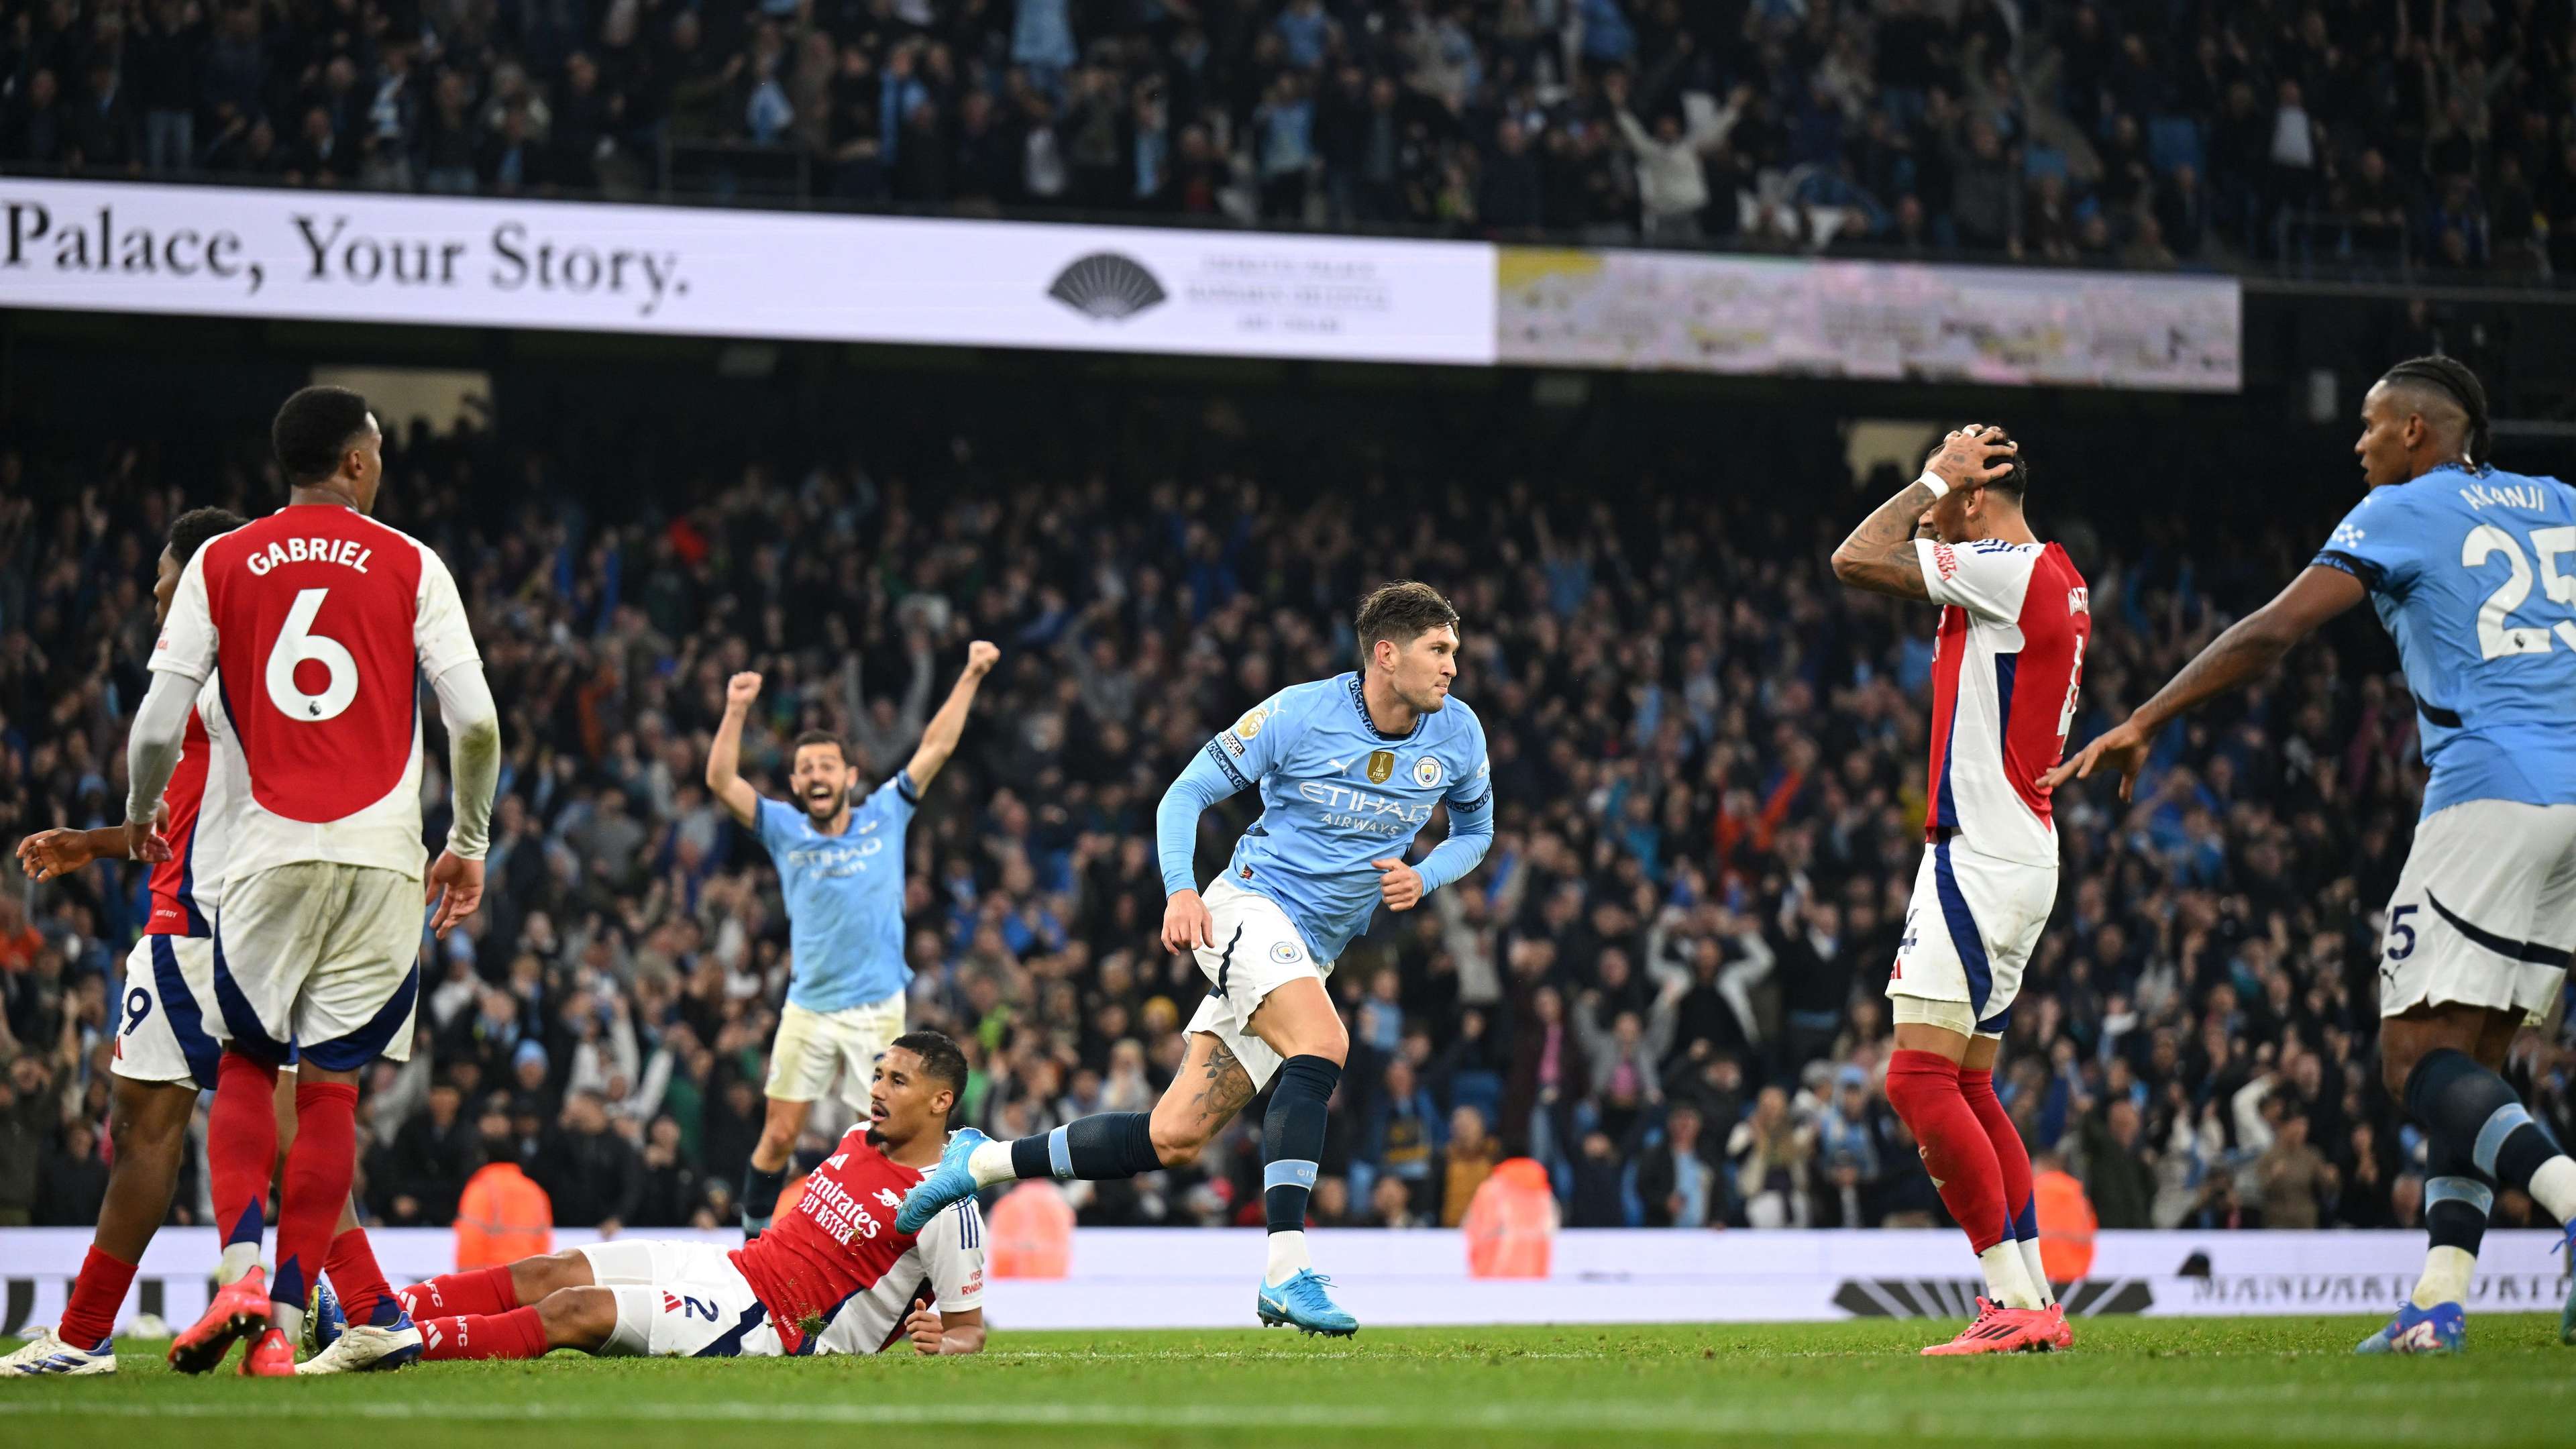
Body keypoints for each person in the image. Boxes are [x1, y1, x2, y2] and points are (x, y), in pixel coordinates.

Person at [2051, 356, 2576, 1354]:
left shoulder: (2404, 508)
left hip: (2490, 793)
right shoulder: (2559, 501)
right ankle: (2438, 1301)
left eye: (2373, 426)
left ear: (2419, 435)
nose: (2359, 444)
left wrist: (2149, 717)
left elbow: (2275, 631)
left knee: (2412, 1060)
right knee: (2472, 1066)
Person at [895, 581, 1495, 1337]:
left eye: (1455, 652)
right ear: (1387, 653)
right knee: (1324, 1043)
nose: (1452, 667)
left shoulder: (1459, 733)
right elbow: (1184, 794)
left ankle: (978, 1164)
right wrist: (1182, 892)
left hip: (1312, 951)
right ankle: (1287, 1272)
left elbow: (1476, 831)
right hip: (1246, 910)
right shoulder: (1297, 714)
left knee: (1173, 1137)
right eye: (1438, 650)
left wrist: (1425, 873)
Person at [123, 385, 501, 1375]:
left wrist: (136, 810)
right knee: (332, 1096)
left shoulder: (220, 559)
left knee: (248, 1064)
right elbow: (476, 724)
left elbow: (159, 724)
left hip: (262, 855)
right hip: (384, 858)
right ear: (358, 462)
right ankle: (284, 1331)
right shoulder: (416, 563)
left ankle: (242, 1273)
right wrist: (468, 839)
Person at [3, 510, 395, 1379]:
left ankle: (85, 1336)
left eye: (165, 583)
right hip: (248, 914)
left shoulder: (214, 663)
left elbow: (174, 772)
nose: (153, 600)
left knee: (158, 1125)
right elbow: (202, 807)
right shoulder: (270, 672)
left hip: (202, 924)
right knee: (253, 1126)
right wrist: (99, 842)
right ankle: (360, 1307)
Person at [1830, 424, 2089, 1355]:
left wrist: (1934, 475)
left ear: (1977, 501)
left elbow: (1855, 558)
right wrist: (1944, 481)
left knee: (1915, 1078)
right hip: (2013, 851)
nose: (1929, 510)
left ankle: (2009, 1295)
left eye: (1943, 497)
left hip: (1980, 852)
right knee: (1971, 1085)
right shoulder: (2050, 573)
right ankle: (2029, 1300)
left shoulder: (2006, 570)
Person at [384, 1032, 985, 1360]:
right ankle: (378, 1311)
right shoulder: (858, 1136)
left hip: (776, 1330)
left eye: (897, 1081)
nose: (877, 1089)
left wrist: (944, 1339)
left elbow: (969, 1331)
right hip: (734, 1269)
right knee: (552, 1269)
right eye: (878, 1074)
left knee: (573, 1310)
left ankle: (397, 1346)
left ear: (940, 1102)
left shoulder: (949, 1203)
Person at [705, 641, 998, 1236]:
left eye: (826, 766)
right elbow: (719, 780)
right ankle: (753, 1253)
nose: (817, 775)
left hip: (876, 1012)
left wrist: (969, 674)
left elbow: (936, 745)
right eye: (806, 768)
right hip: (809, 1008)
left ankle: (905, 1261)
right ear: (795, 782)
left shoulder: (884, 814)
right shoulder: (784, 827)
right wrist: (736, 709)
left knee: (888, 1139)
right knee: (780, 1135)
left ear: (850, 777)